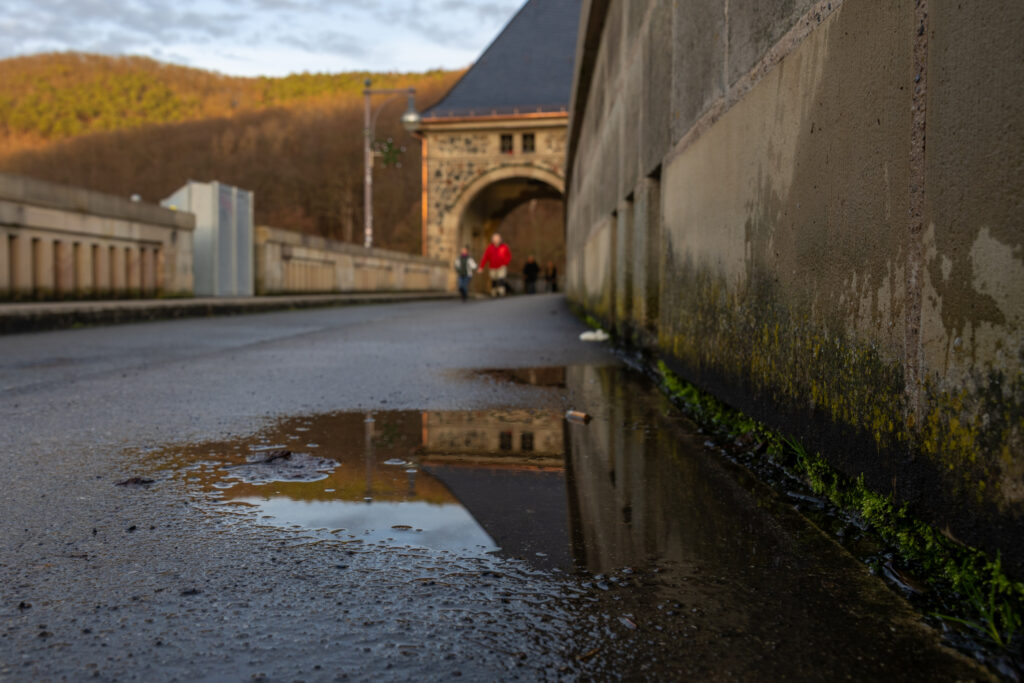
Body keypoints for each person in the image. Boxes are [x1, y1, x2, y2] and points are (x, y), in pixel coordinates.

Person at [478, 233, 511, 297]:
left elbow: (509, 256)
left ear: (500, 239)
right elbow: (485, 257)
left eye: (497, 239)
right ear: (492, 240)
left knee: (501, 278)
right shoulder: (490, 248)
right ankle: (494, 292)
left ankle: (501, 292)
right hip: (492, 266)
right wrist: (481, 267)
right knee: (494, 279)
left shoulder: (504, 247)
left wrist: (506, 263)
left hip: (502, 266)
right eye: (494, 239)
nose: (496, 240)